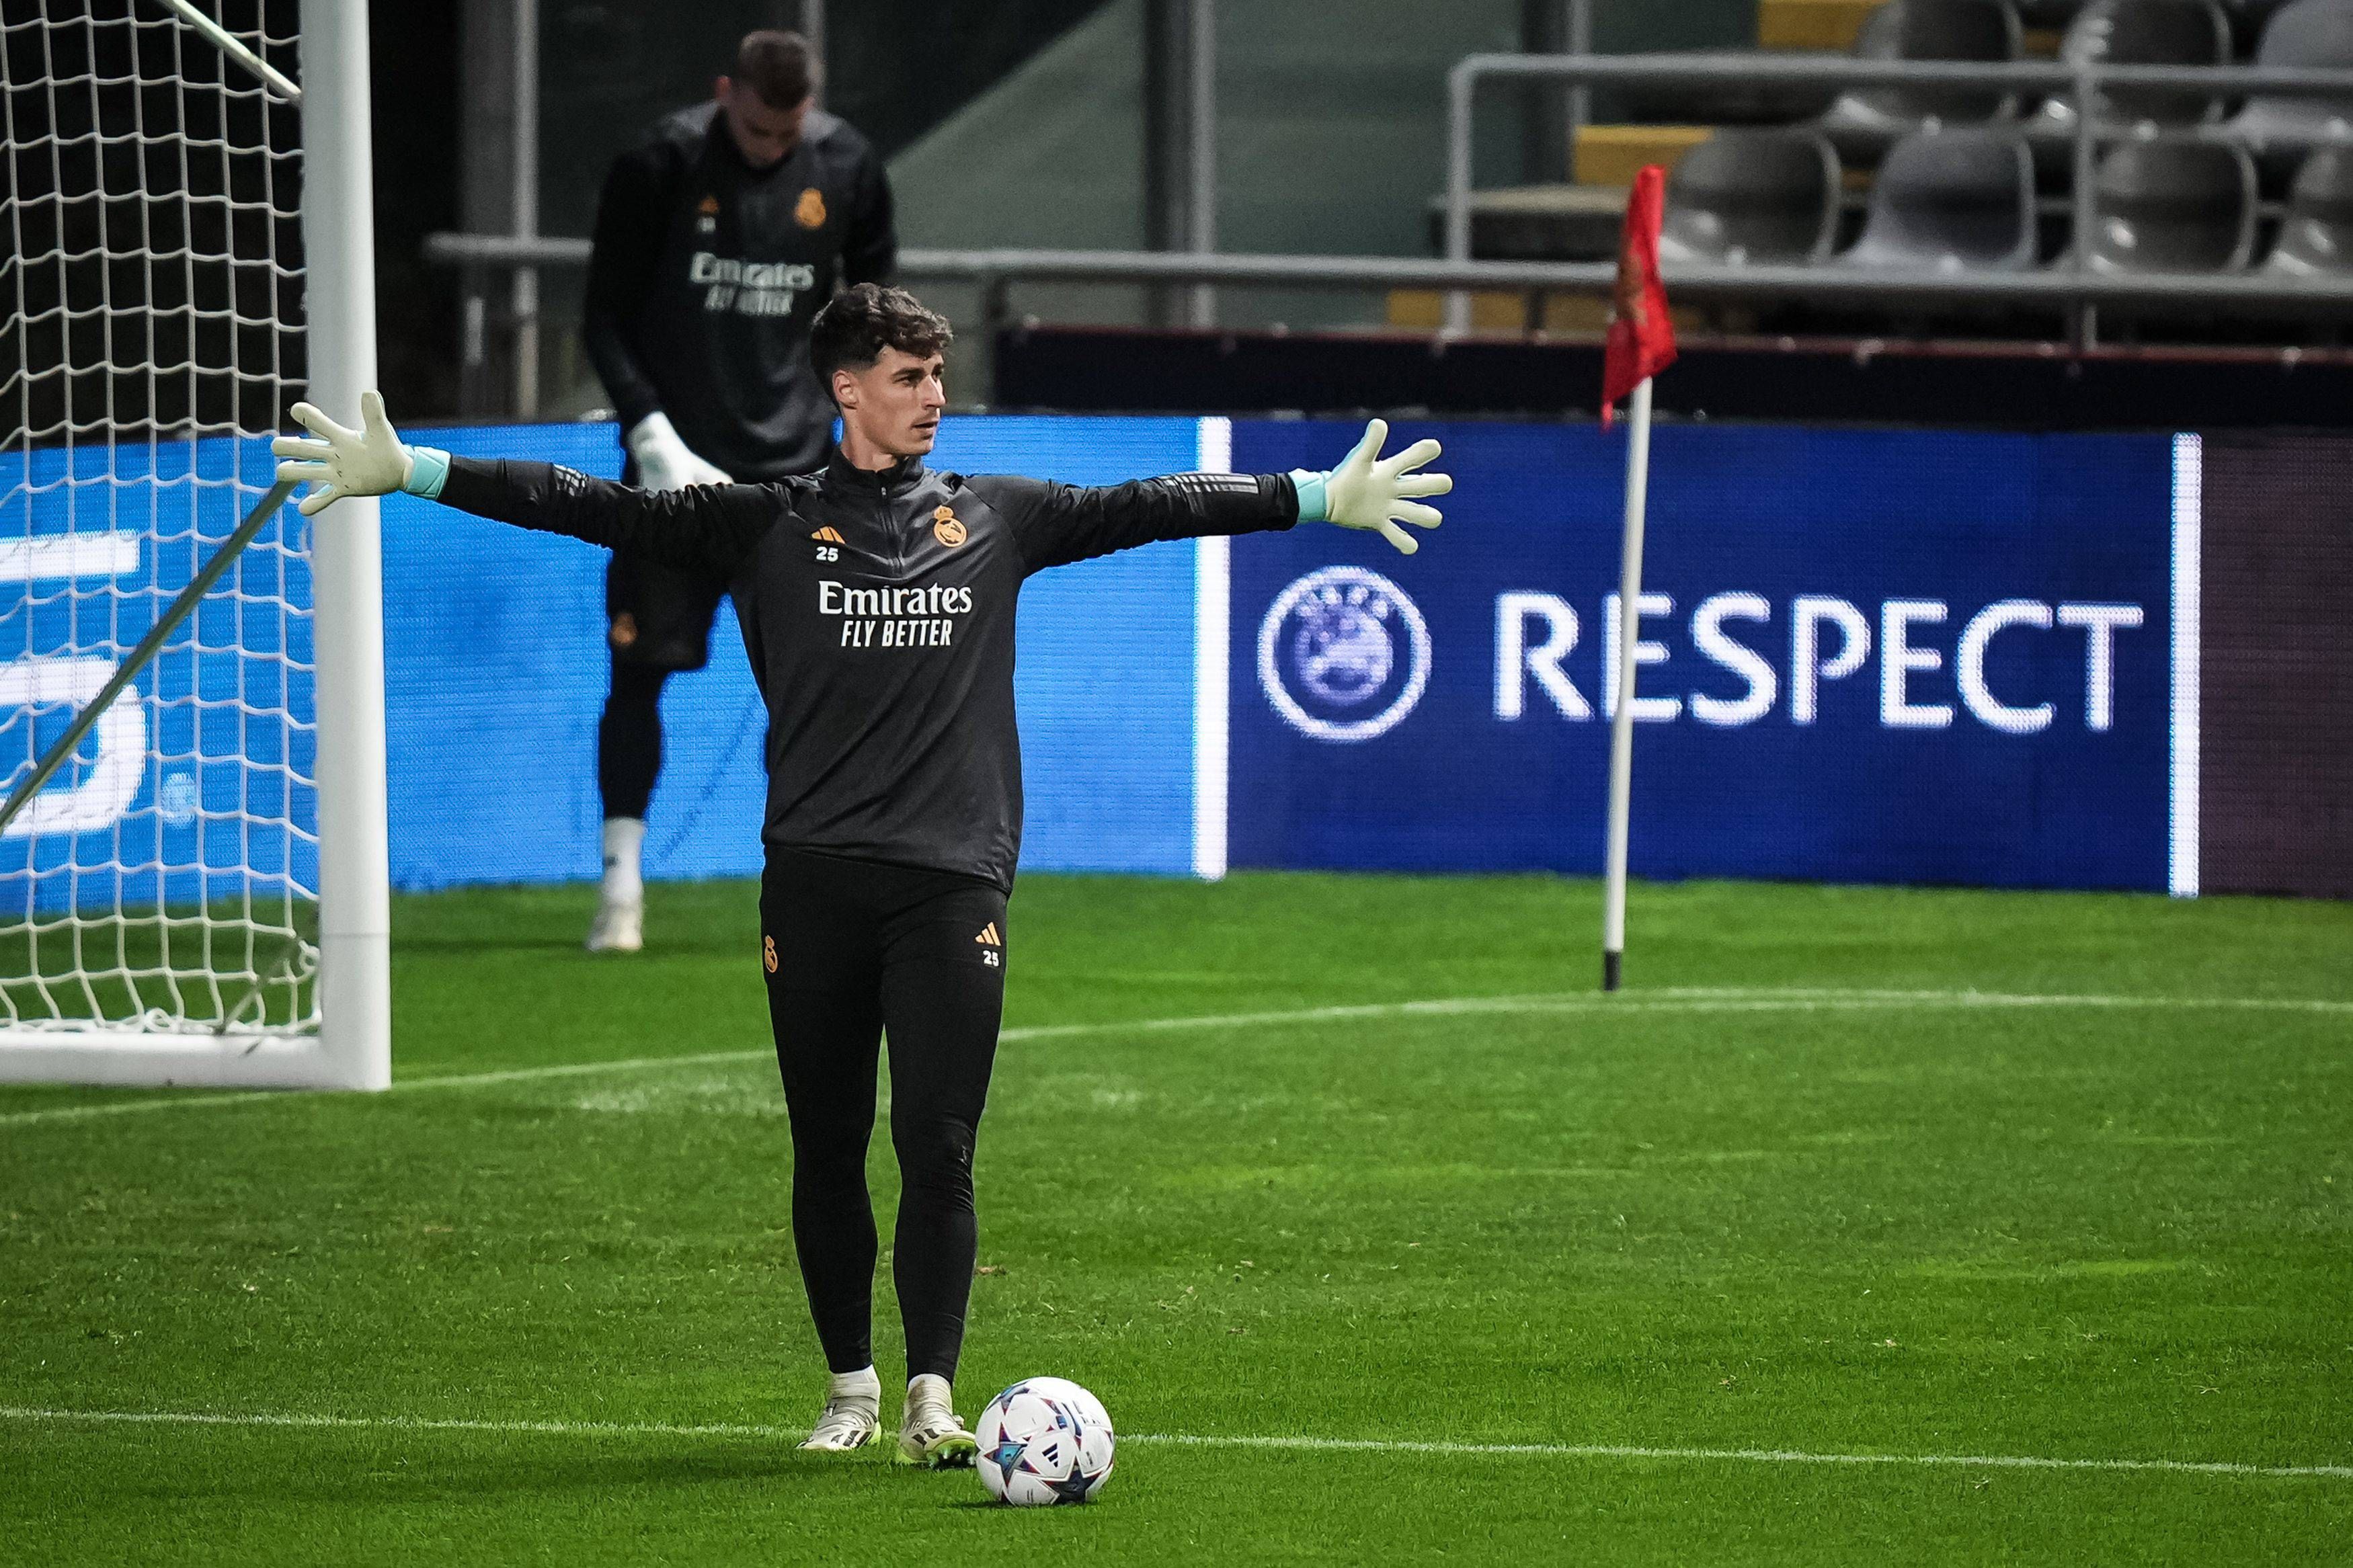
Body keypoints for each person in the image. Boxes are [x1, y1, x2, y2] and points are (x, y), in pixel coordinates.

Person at [272, 284, 1450, 1467]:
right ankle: (849, 1388)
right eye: (908, 377)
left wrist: (1314, 495)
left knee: (939, 1145)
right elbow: (589, 506)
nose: (934, 396)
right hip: (816, 885)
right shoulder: (764, 522)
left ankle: (934, 1396)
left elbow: (1155, 504)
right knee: (827, 1147)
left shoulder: (999, 515)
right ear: (848, 389)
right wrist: (416, 470)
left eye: (938, 375)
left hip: (952, 884)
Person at [580, 28, 895, 953]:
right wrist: (650, 435)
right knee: (637, 675)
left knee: (810, 691)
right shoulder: (660, 163)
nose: (769, 148)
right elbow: (603, 314)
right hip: (673, 475)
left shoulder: (848, 166)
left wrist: (862, 434)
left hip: (797, 479)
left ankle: (804, 884)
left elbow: (876, 318)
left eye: (786, 134)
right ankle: (621, 885)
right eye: (757, 130)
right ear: (727, 94)